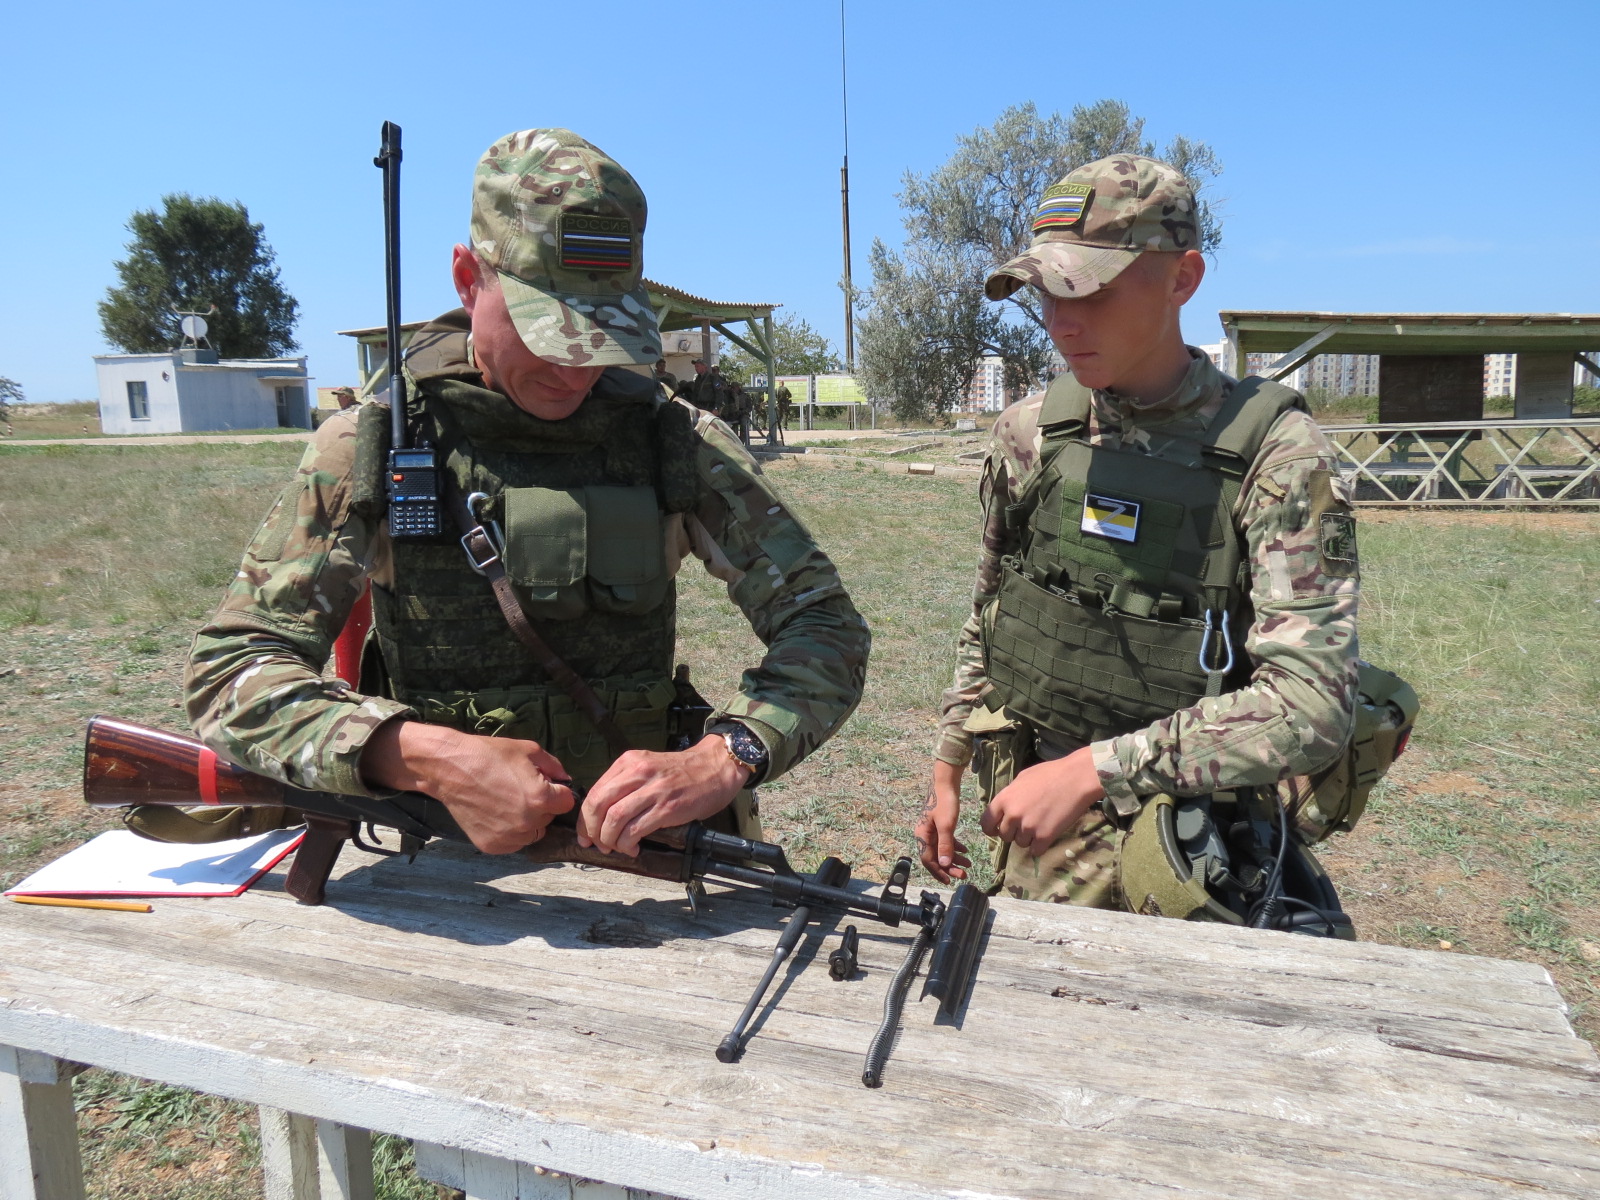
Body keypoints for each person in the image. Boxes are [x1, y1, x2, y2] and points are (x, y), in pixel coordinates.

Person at [185, 128, 870, 861]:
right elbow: (232, 673)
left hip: (637, 857)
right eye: (548, 328)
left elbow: (825, 628)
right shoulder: (371, 445)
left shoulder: (675, 438)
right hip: (436, 856)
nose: (575, 369)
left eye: (604, 333)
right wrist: (416, 755)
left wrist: (723, 756)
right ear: (466, 278)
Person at [916, 155, 1359, 909]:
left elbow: (1312, 704)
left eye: (1091, 289)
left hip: (1186, 845)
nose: (1061, 320)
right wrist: (949, 763)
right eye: (1045, 291)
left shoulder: (1277, 456)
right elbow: (990, 616)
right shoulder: (1032, 433)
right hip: (1035, 820)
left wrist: (1095, 770)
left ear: (1183, 278)